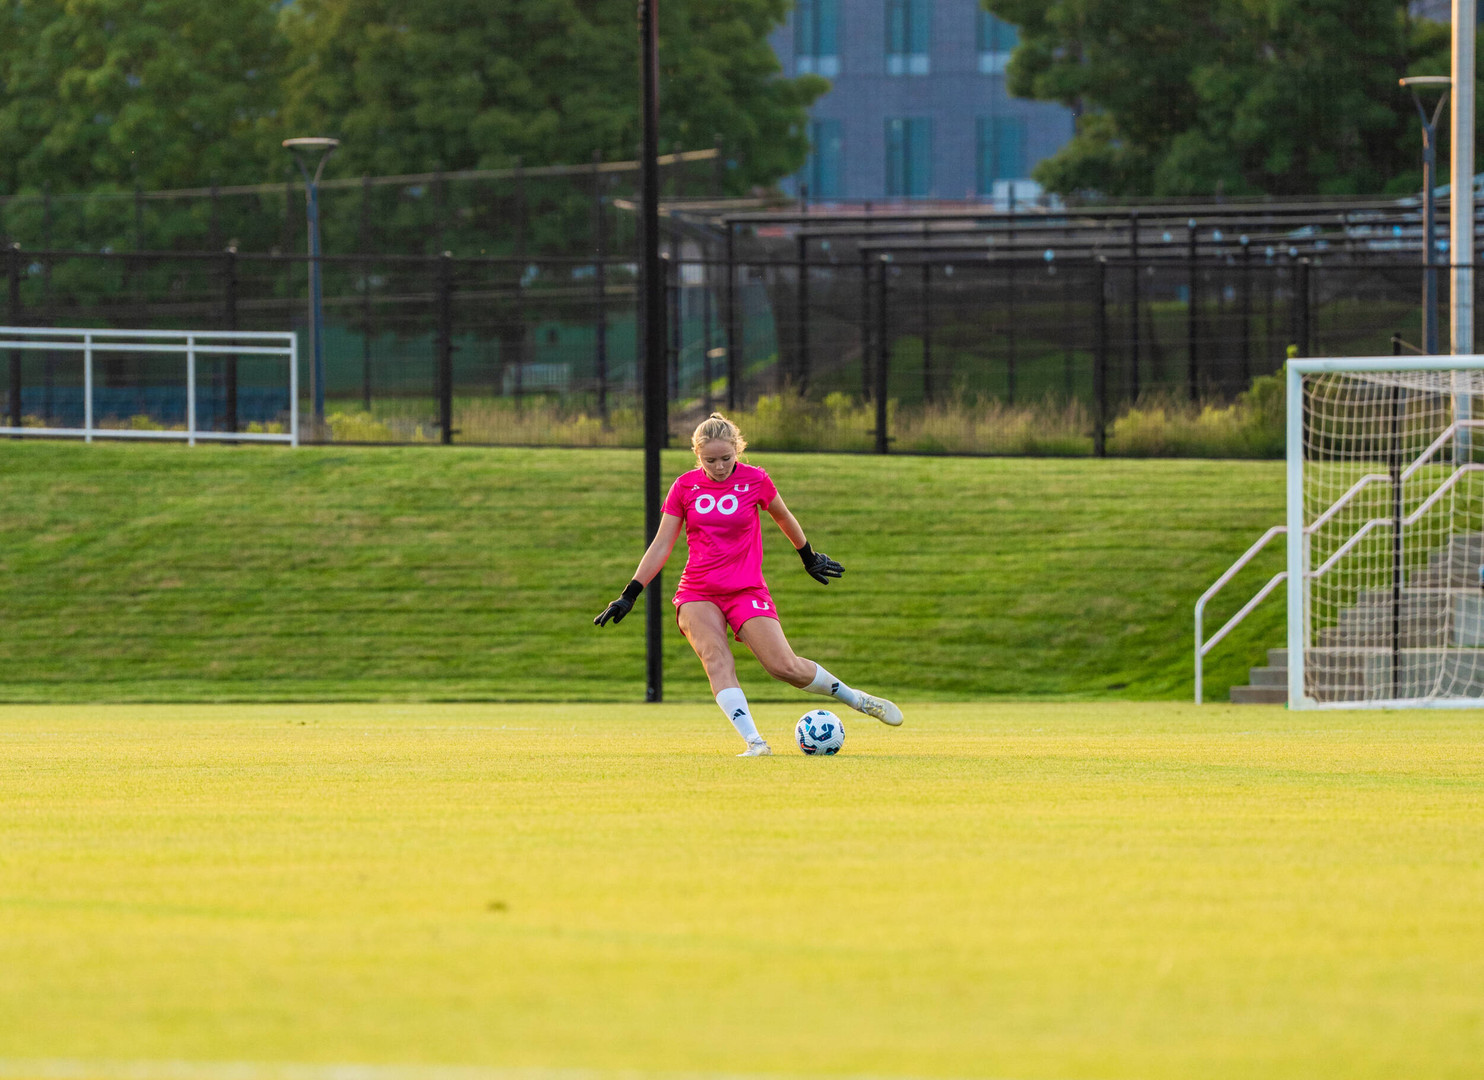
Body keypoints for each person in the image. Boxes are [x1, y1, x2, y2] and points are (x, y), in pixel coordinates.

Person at [594, 413, 902, 755]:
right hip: (698, 591)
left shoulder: (755, 480)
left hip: (746, 589)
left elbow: (783, 515)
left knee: (785, 667)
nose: (720, 467)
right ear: (698, 456)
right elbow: (662, 544)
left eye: (726, 458)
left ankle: (857, 699)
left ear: (737, 450)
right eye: (710, 460)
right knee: (716, 659)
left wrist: (808, 556)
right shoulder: (684, 487)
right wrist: (630, 593)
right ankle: (755, 743)